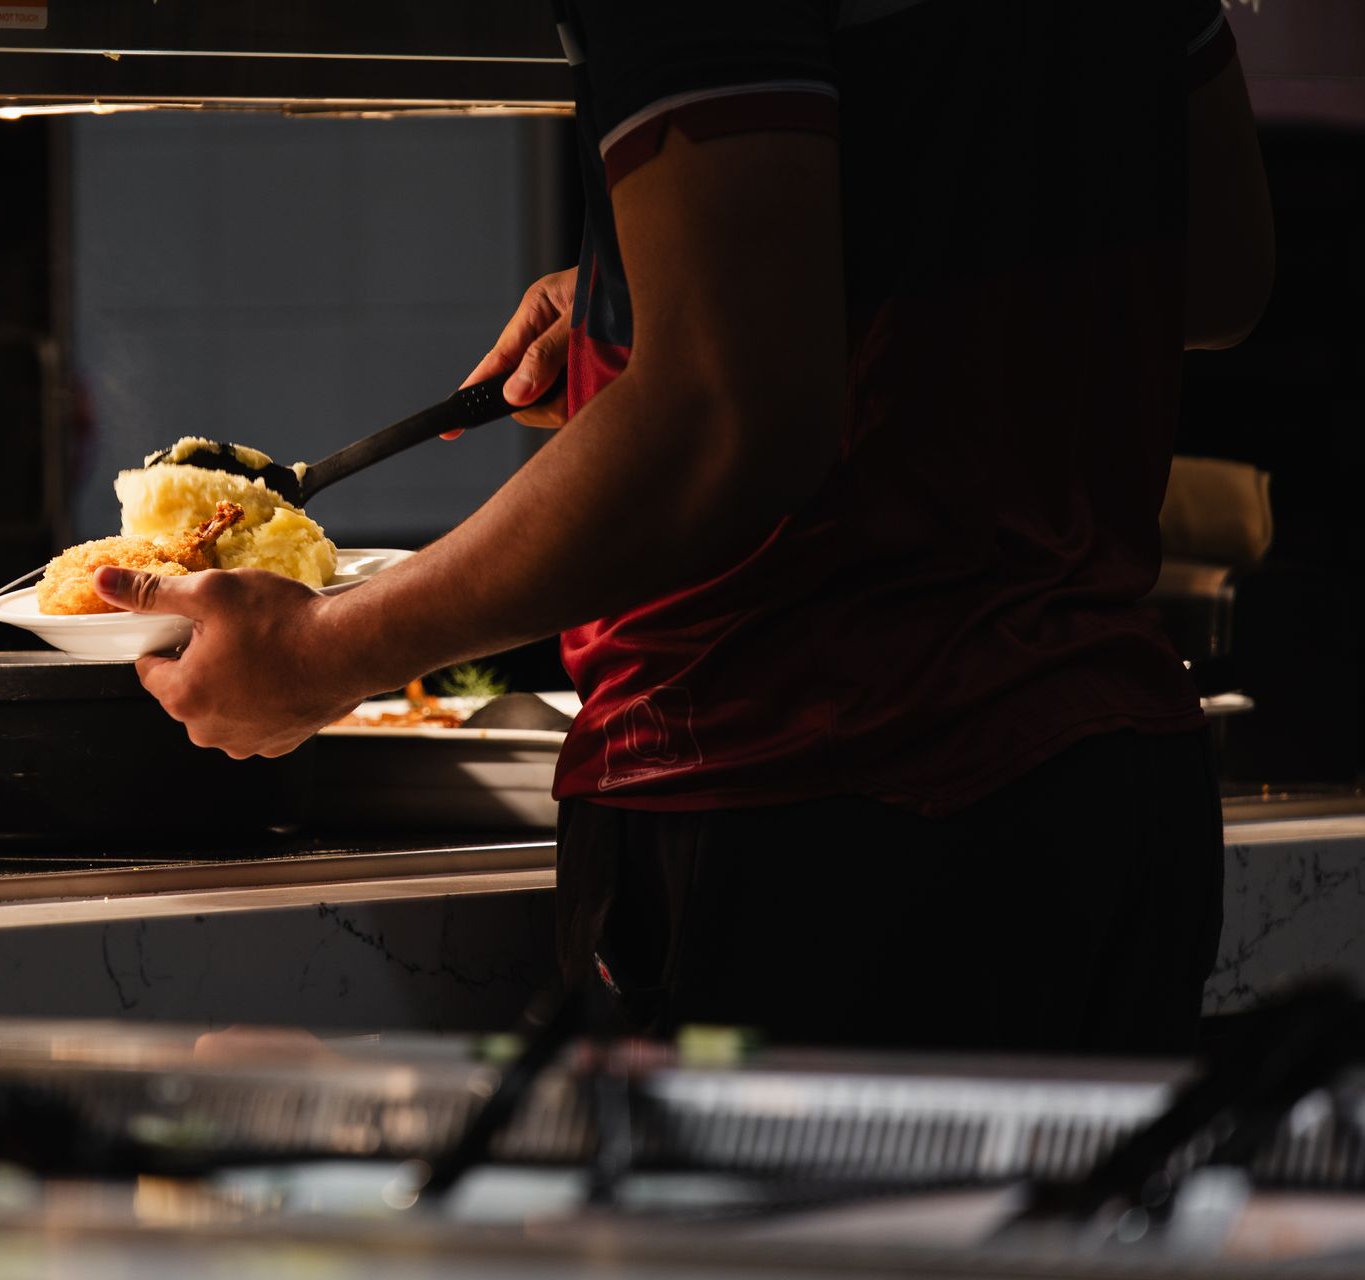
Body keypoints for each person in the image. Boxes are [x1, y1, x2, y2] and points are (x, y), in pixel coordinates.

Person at [93, 2, 1274, 1055]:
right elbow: (1220, 271)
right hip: (1108, 790)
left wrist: (318, 655)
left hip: (809, 805)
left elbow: (726, 415)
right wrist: (679, 282)